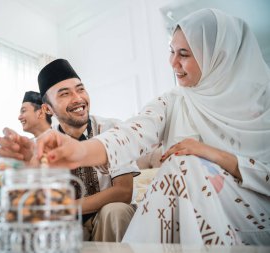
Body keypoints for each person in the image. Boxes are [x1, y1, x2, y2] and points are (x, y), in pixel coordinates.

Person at [33, 9, 270, 245]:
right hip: (194, 209)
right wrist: (78, 152)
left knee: (186, 164)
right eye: (171, 51)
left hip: (254, 208)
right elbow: (131, 133)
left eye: (184, 54)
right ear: (48, 108)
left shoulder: (264, 102)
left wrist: (210, 154)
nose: (172, 62)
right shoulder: (174, 100)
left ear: (218, 55)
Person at [0, 59, 140, 242]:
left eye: (80, 89)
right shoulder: (44, 143)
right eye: (64, 94)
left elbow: (123, 192)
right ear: (47, 109)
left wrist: (66, 207)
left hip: (106, 217)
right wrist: (24, 167)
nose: (78, 98)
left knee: (115, 211)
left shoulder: (112, 129)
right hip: (66, 223)